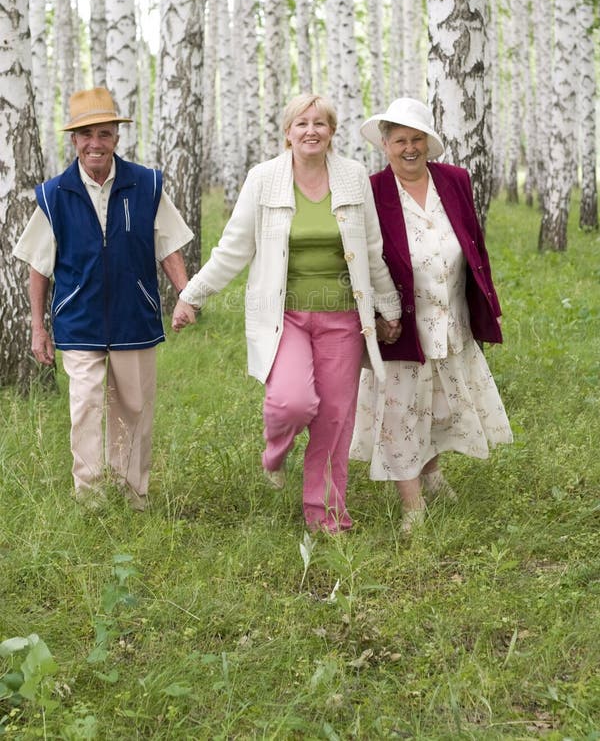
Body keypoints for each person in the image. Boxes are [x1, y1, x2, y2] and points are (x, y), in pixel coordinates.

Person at [172, 93, 401, 533]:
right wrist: (192, 295)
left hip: (343, 318)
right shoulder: (264, 179)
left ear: (332, 131)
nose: (311, 130)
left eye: (321, 123)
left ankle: (326, 515)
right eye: (302, 123)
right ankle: (275, 450)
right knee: (291, 402)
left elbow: (372, 250)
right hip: (285, 316)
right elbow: (233, 248)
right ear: (287, 132)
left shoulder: (353, 177)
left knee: (335, 419)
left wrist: (388, 308)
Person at [13, 87, 194, 511]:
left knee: (134, 408)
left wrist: (185, 295)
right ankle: (90, 500)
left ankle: (134, 497)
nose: (96, 143)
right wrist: (38, 327)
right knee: (86, 407)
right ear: (74, 140)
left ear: (117, 137)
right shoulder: (54, 194)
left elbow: (167, 245)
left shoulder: (146, 183)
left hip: (135, 315)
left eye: (105, 133)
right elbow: (38, 266)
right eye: (87, 134)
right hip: (79, 319)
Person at [350, 98, 512, 532]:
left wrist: (483, 303)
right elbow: (363, 256)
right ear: (385, 145)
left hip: (451, 312)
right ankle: (412, 507)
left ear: (429, 142)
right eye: (400, 139)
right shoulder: (373, 190)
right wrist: (378, 311)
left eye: (417, 138)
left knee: (439, 402)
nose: (409, 147)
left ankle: (432, 472)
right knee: (401, 409)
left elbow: (472, 240)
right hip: (399, 320)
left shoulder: (455, 180)